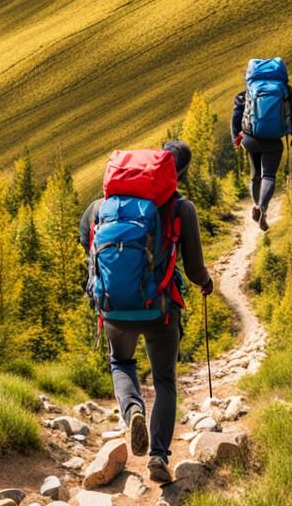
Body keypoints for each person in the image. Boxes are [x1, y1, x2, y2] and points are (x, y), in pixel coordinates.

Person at [79, 140, 213, 484]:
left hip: (114, 309)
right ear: (179, 174)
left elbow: (86, 242)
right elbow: (195, 267)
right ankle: (158, 456)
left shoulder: (101, 206)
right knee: (165, 379)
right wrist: (206, 283)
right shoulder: (182, 209)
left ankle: (133, 411)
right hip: (160, 310)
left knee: (121, 363)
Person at [231, 57, 292, 231]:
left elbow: (235, 117)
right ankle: (262, 207)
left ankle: (255, 204)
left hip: (251, 138)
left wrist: (236, 138)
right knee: (268, 175)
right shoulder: (286, 90)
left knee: (255, 175)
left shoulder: (246, 92)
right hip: (273, 140)